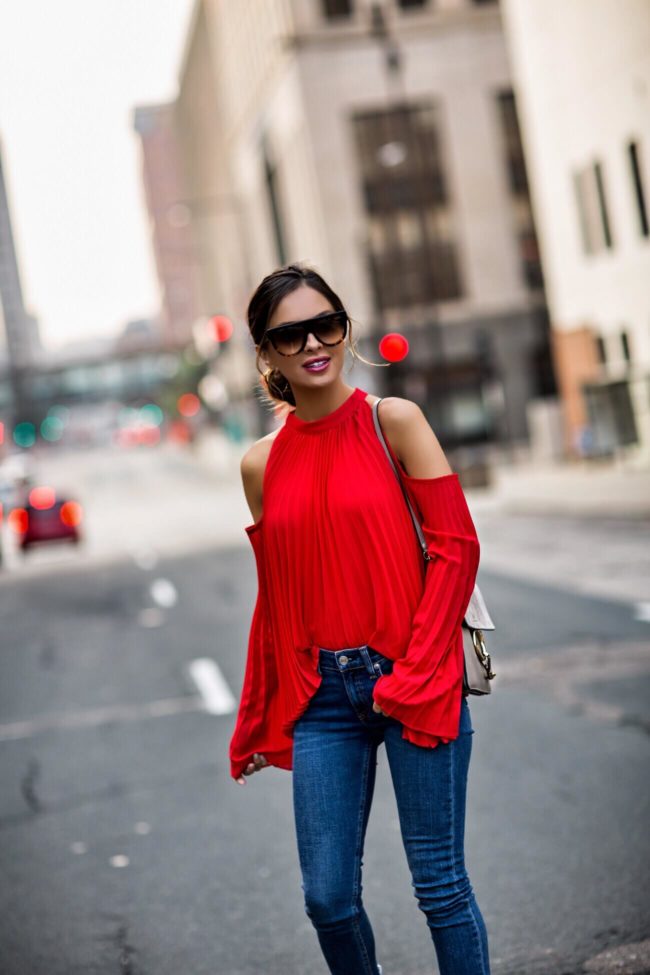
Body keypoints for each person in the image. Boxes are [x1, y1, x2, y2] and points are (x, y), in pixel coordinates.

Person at [229, 263, 491, 975]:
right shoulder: (259, 464)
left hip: (415, 674)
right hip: (323, 699)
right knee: (328, 898)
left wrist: (417, 671)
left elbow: (456, 547)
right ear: (266, 352)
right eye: (291, 333)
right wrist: (258, 713)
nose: (314, 342)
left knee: (440, 885)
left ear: (346, 328)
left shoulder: (393, 421)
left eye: (328, 324)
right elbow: (276, 600)